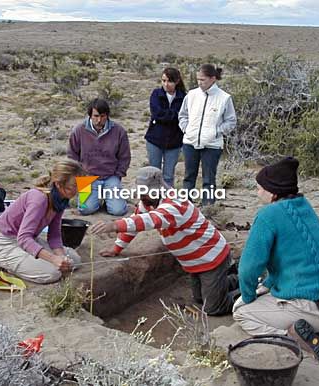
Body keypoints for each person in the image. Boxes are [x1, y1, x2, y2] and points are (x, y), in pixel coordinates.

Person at [232, 157, 319, 364]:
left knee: (240, 311)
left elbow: (248, 269)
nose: (257, 192)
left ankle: (294, 338)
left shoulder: (267, 215)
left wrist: (248, 297)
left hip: (311, 309)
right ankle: (318, 330)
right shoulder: (304, 205)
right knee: (266, 289)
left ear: (273, 192)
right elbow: (290, 260)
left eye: (259, 188)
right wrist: (267, 285)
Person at [90, 166, 239, 316]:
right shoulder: (148, 202)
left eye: (144, 191)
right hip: (194, 262)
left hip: (211, 258)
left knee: (213, 308)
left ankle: (244, 287)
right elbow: (134, 224)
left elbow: (150, 220)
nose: (140, 195)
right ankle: (227, 281)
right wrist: (116, 248)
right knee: (200, 298)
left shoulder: (174, 205)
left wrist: (114, 225)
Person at [0, 159, 82, 284]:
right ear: (59, 184)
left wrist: (61, 257)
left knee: (74, 260)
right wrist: (53, 259)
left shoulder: (60, 200)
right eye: (74, 186)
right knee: (52, 273)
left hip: (29, 239)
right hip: (4, 243)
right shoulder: (40, 199)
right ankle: (4, 263)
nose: (78, 190)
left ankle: (29, 262)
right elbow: (23, 238)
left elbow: (54, 235)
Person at [179, 64, 236, 205]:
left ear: (213, 79)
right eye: (198, 79)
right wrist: (187, 129)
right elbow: (183, 115)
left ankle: (207, 209)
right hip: (190, 143)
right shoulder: (191, 95)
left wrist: (216, 132)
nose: (199, 82)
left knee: (208, 179)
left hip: (212, 145)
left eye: (203, 79)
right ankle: (186, 207)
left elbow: (231, 121)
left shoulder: (224, 98)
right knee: (188, 177)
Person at [67, 98, 131, 216]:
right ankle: (98, 198)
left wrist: (118, 174)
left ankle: (109, 200)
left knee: (118, 211)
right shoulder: (79, 130)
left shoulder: (119, 131)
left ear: (107, 115)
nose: (99, 120)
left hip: (111, 176)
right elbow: (72, 155)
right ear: (90, 115)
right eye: (95, 116)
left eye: (102, 116)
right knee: (85, 209)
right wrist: (79, 176)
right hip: (87, 177)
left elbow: (124, 156)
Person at [145, 68, 186, 187]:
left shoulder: (184, 97)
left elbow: (183, 116)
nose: (166, 84)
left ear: (177, 81)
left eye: (169, 81)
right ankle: (152, 201)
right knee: (154, 173)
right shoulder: (156, 94)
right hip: (155, 140)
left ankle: (167, 202)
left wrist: (166, 116)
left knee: (168, 175)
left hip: (174, 142)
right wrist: (174, 116)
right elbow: (157, 114)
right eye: (163, 81)